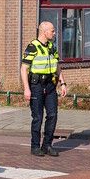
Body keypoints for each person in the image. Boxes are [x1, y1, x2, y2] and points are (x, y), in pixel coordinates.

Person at [20, 21, 67, 157]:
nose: (54, 33)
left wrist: (63, 83)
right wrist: (26, 89)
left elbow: (57, 66)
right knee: (38, 117)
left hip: (51, 85)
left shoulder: (52, 47)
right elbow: (24, 69)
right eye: (52, 31)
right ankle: (35, 146)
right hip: (36, 86)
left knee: (52, 115)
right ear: (44, 32)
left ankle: (47, 145)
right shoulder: (32, 47)